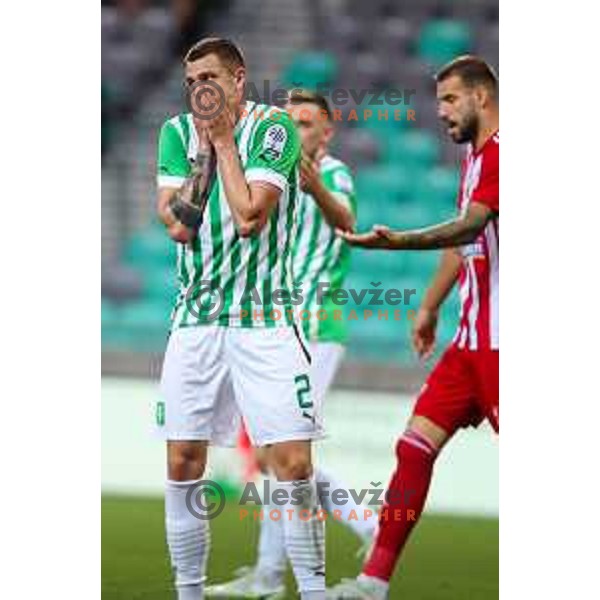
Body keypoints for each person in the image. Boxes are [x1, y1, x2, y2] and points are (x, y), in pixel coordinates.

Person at [155, 37, 325, 600]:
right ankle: (189, 592)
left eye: (208, 77)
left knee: (293, 465)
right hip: (196, 319)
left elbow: (251, 214)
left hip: (266, 319)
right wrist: (206, 150)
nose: (198, 88)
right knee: (183, 459)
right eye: (190, 81)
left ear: (237, 78)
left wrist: (224, 141)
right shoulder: (177, 135)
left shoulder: (274, 130)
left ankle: (316, 592)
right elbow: (179, 224)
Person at [326, 55, 499, 599]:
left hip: (504, 347)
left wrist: (397, 240)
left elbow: (471, 223)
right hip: (469, 344)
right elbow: (466, 241)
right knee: (413, 448)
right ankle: (374, 582)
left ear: (482, 97)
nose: (441, 112)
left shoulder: (506, 153)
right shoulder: (474, 159)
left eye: (450, 100)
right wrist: (428, 307)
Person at [206, 90, 376, 599]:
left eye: (307, 124)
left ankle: (277, 572)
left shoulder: (335, 173)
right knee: (276, 455)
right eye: (292, 123)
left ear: (326, 134)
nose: (298, 132)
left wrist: (316, 184)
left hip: (318, 327)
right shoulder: (277, 179)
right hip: (282, 325)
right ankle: (283, 567)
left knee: (284, 453)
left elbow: (346, 220)